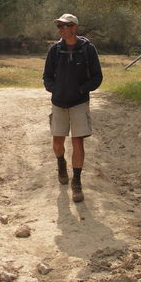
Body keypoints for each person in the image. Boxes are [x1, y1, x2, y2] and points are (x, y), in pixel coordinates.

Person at [43, 13, 103, 202]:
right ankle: (61, 163)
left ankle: (76, 181)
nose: (61, 29)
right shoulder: (54, 50)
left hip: (79, 103)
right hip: (58, 103)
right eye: (59, 26)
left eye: (65, 26)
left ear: (74, 28)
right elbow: (47, 76)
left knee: (78, 142)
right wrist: (55, 89)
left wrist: (81, 90)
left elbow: (97, 77)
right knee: (57, 143)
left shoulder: (88, 50)